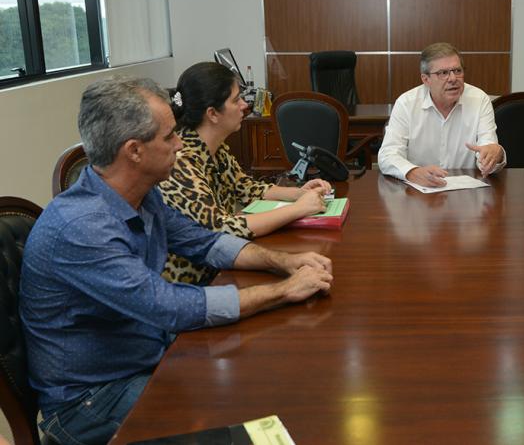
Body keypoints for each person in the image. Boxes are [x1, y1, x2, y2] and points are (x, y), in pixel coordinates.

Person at [20, 76, 334, 445]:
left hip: (146, 356)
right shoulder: (81, 228)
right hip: (92, 401)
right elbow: (169, 307)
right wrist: (284, 291)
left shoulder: (141, 194)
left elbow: (205, 242)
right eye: (169, 136)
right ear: (134, 151)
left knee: (270, 382)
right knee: (257, 419)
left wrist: (284, 262)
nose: (180, 143)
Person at [159, 62, 331, 285]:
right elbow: (222, 227)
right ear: (212, 113)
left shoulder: (215, 148)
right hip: (194, 283)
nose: (244, 105)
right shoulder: (180, 161)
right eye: (236, 100)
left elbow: (247, 188)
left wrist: (298, 193)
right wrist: (298, 209)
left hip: (222, 267)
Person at [378, 42, 506, 187]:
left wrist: (494, 155)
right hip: (419, 193)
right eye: (443, 73)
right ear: (426, 79)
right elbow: (387, 155)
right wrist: (412, 172)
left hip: (465, 194)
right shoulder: (406, 104)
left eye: (457, 71)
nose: (452, 78)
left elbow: (487, 150)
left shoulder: (479, 100)